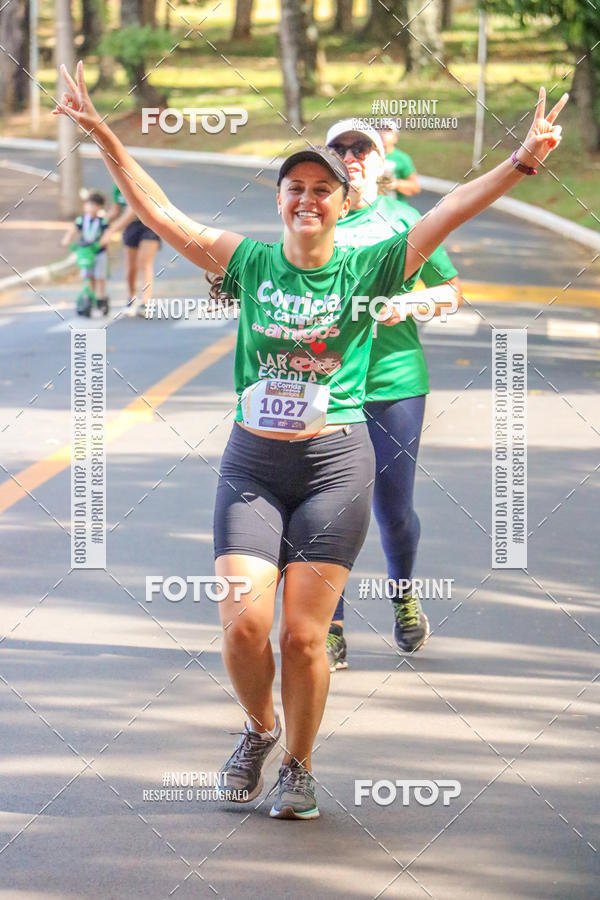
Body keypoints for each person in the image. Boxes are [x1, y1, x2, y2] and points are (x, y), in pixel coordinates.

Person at [53, 62, 566, 820]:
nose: (307, 198)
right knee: (243, 623)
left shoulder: (372, 265)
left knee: (301, 637)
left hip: (334, 466)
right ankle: (259, 729)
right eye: (295, 187)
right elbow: (157, 210)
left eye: (323, 188)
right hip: (253, 464)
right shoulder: (249, 262)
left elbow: (450, 210)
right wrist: (102, 134)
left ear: (343, 200)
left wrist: (521, 161)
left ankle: (298, 765)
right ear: (280, 199)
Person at [324, 119, 462, 669]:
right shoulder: (313, 219)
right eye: (340, 148)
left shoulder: (404, 221)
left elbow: (451, 291)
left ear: (382, 163)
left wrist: (411, 303)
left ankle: (404, 596)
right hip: (326, 388)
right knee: (330, 510)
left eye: (363, 148)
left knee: (392, 508)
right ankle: (330, 626)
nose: (351, 156)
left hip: (394, 383)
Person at [106, 183, 161, 317]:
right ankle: (131, 299)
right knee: (131, 267)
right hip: (131, 227)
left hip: (149, 224)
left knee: (144, 263)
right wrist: (97, 222)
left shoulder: (138, 183)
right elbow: (115, 210)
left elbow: (132, 211)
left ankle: (146, 303)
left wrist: (111, 231)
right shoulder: (117, 187)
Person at [61, 190, 110, 313]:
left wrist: (102, 242)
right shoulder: (81, 220)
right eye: (88, 204)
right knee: (88, 276)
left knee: (100, 276)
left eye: (94, 205)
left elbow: (107, 235)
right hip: (86, 252)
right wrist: (66, 240)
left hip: (98, 252)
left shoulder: (102, 221)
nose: (90, 207)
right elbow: (72, 230)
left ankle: (101, 298)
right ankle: (89, 296)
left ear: (99, 207)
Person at [377, 120, 421, 204]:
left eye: (388, 131)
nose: (383, 133)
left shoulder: (402, 158)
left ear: (395, 137)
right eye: (380, 129)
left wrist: (395, 184)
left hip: (395, 206)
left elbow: (415, 187)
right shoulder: (368, 155)